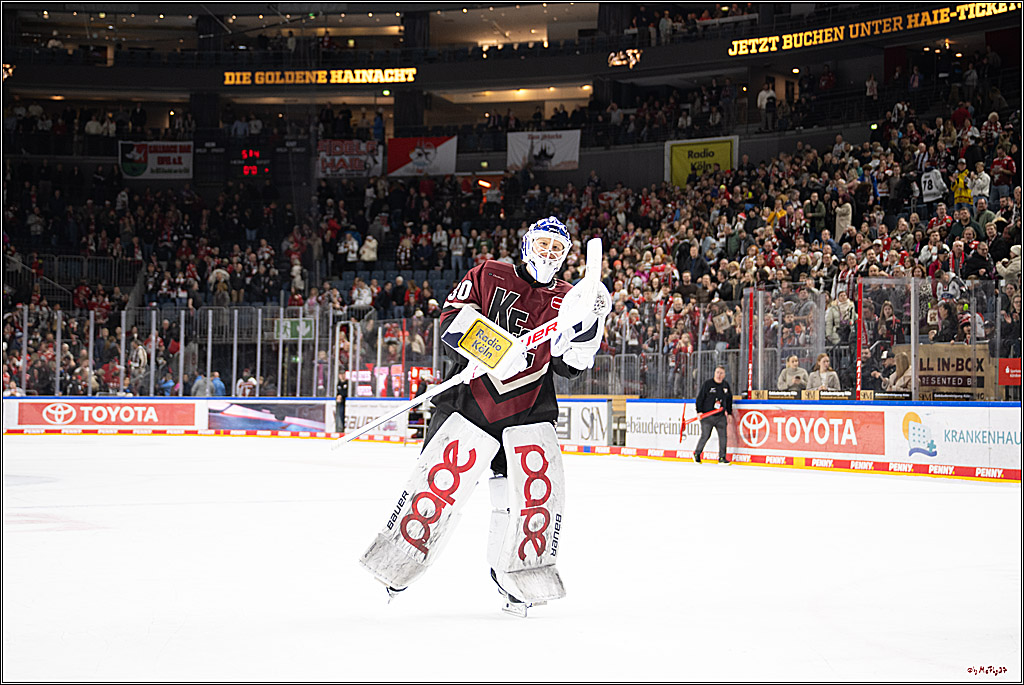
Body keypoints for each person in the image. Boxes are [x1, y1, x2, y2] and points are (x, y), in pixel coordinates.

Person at [358, 217, 611, 617]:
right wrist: (494, 349)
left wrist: (584, 339)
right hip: (467, 404)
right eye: (543, 244)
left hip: (528, 413)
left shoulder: (569, 298)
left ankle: (514, 577)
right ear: (527, 245)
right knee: (439, 486)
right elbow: (451, 319)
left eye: (557, 248)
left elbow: (567, 365)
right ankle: (399, 561)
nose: (549, 253)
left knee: (520, 501)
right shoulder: (489, 273)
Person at [692, 364, 733, 464]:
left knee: (723, 437)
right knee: (705, 435)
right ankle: (697, 453)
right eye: (717, 372)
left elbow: (729, 400)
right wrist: (699, 411)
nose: (719, 375)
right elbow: (700, 398)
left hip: (720, 416)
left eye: (721, 373)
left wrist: (729, 413)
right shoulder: (708, 384)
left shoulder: (725, 386)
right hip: (707, 416)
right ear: (714, 373)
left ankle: (722, 457)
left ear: (724, 375)